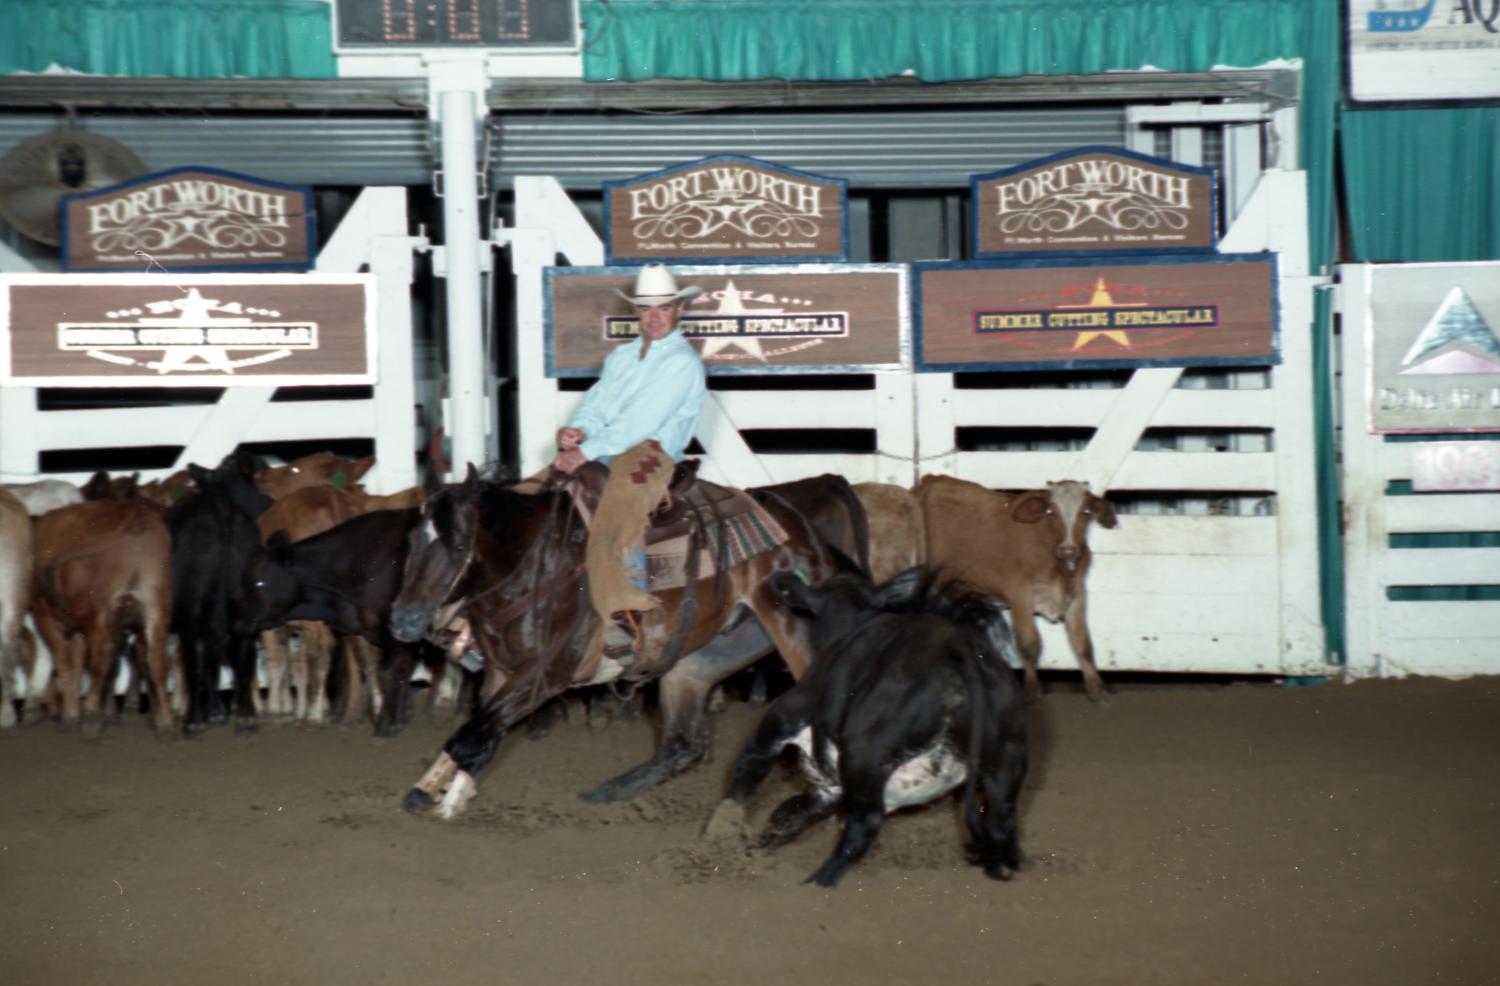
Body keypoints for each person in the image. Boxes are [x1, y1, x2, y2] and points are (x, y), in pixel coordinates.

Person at [551, 264, 707, 661]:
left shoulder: (682, 363)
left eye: (663, 309)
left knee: (617, 516)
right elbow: (598, 403)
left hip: (648, 450)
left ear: (679, 311)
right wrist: (578, 431)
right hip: (606, 445)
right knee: (537, 492)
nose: (654, 317)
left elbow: (640, 424)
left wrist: (584, 451)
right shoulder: (621, 357)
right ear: (636, 313)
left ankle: (623, 616)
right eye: (646, 310)